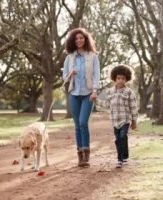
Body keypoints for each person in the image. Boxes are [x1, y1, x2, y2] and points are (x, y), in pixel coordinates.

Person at [62, 28, 100, 167]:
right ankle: (80, 156)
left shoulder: (93, 56)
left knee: (83, 123)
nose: (79, 40)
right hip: (74, 93)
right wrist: (69, 74)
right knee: (77, 125)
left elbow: (97, 75)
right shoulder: (69, 57)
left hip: (88, 93)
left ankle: (86, 154)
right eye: (76, 38)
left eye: (81, 38)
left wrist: (95, 91)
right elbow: (64, 77)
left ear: (86, 39)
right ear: (73, 41)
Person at [97, 64, 138, 168]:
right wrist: (95, 100)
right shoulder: (110, 91)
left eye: (123, 78)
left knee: (123, 136)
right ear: (114, 78)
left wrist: (134, 121)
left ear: (126, 79)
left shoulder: (129, 92)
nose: (120, 80)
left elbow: (133, 107)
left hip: (125, 120)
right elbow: (107, 104)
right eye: (118, 78)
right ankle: (120, 158)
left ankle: (124, 158)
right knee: (118, 139)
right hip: (115, 121)